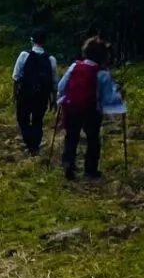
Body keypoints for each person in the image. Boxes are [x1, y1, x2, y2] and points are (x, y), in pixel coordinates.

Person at [56, 36, 119, 180]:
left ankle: (68, 164)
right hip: (91, 110)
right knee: (93, 139)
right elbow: (108, 97)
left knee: (71, 136)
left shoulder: (74, 66)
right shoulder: (102, 74)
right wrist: (119, 101)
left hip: (72, 107)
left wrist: (61, 100)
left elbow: (61, 86)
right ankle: (90, 170)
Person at [11, 35, 59, 154]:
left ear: (32, 40)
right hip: (42, 95)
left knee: (23, 118)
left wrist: (14, 93)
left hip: (25, 93)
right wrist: (53, 99)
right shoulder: (51, 59)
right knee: (38, 119)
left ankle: (29, 143)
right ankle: (35, 145)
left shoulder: (24, 55)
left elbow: (16, 77)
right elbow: (54, 82)